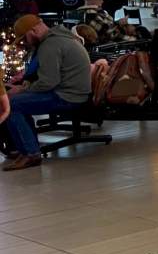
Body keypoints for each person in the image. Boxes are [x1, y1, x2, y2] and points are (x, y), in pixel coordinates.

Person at [3, 15, 93, 170]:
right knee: (17, 102)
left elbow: (48, 82)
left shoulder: (50, 45)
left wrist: (21, 89)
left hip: (68, 96)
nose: (25, 43)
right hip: (75, 92)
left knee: (12, 104)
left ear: (33, 30)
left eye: (25, 38)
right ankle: (27, 149)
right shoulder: (60, 37)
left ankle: (30, 153)